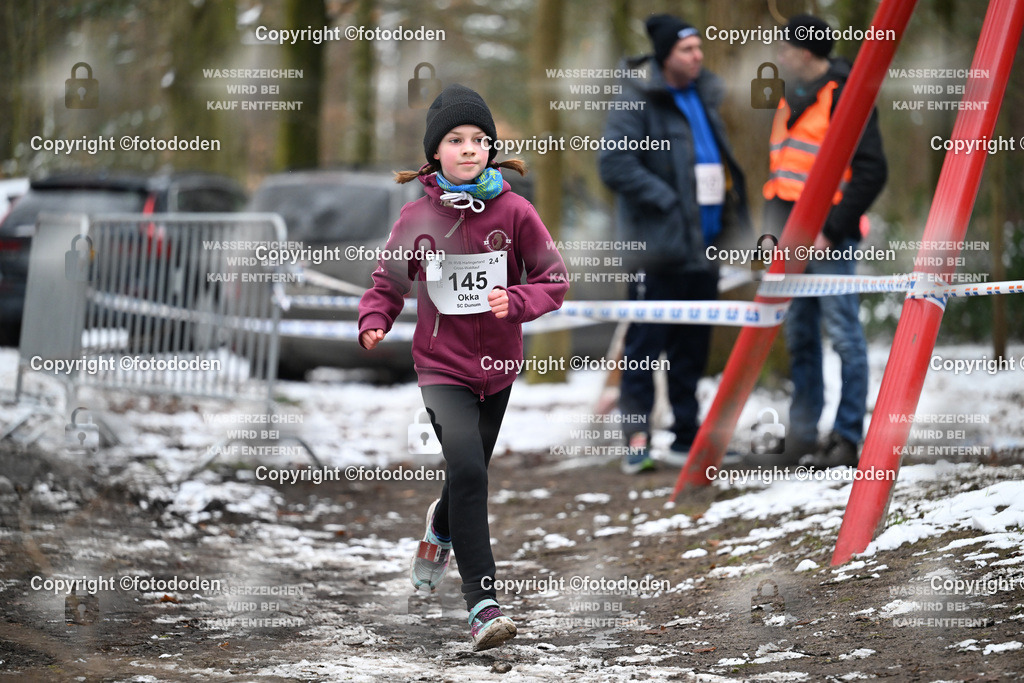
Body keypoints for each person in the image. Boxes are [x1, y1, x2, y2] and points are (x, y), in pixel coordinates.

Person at [358, 84, 568, 651]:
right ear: (435, 153)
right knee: (471, 473)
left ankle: (440, 527)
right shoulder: (416, 217)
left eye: (480, 139)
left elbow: (554, 280)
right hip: (441, 367)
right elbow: (389, 281)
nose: (470, 148)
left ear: (492, 148)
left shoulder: (516, 211)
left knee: (466, 472)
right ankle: (482, 606)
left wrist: (516, 301)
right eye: (456, 140)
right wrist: (376, 317)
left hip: (498, 367)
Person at [599, 14, 750, 474]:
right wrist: (667, 200)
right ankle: (637, 441)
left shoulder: (703, 97)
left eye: (700, 48)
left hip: (703, 249)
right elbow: (614, 164)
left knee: (692, 347)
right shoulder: (637, 98)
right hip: (656, 249)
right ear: (666, 55)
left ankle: (687, 437)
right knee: (645, 345)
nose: (698, 56)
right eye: (687, 50)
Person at [762, 14, 887, 468]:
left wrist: (830, 230)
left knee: (845, 340)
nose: (779, 55)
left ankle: (847, 438)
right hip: (790, 244)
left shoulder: (848, 97)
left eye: (785, 48)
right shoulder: (787, 97)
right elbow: (781, 178)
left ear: (806, 52)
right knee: (799, 340)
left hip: (829, 244)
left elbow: (873, 170)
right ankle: (801, 438)